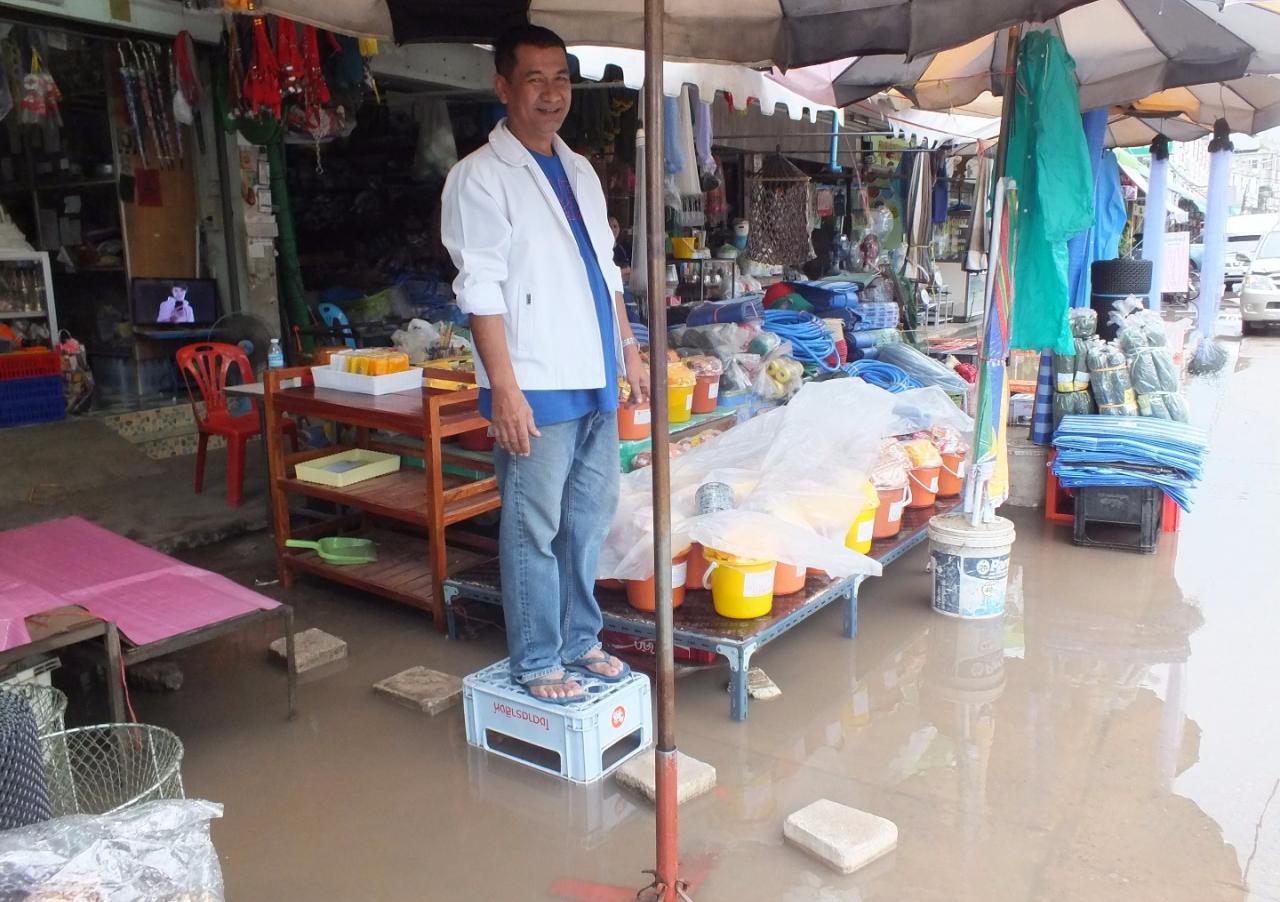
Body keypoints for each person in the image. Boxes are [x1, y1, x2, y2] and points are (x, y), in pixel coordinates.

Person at [441, 25, 649, 704]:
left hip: (594, 374)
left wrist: (630, 350)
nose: (552, 92)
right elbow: (479, 289)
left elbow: (606, 272)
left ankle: (580, 639)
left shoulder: (580, 169)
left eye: (561, 78)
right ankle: (536, 659)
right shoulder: (478, 177)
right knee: (534, 527)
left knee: (588, 520)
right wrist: (504, 390)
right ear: (504, 87)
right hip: (534, 382)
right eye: (535, 78)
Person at [609, 215, 632, 285]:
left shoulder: (623, 247)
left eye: (615, 226)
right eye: (610, 226)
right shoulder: (603, 250)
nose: (613, 229)